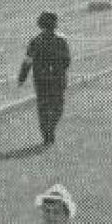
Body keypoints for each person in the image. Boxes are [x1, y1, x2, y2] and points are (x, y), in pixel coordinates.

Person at [17, 11, 71, 146]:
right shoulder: (61, 40)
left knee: (43, 107)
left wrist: (22, 78)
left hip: (41, 79)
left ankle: (46, 134)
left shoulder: (35, 41)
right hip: (57, 79)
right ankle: (50, 129)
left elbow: (27, 61)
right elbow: (67, 61)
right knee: (57, 106)